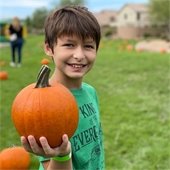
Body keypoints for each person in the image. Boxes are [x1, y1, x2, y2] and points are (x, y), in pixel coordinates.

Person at [21, 5, 105, 170]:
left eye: (88, 46)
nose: (79, 55)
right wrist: (62, 154)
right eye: (69, 45)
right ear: (49, 48)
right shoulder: (42, 104)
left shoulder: (90, 92)